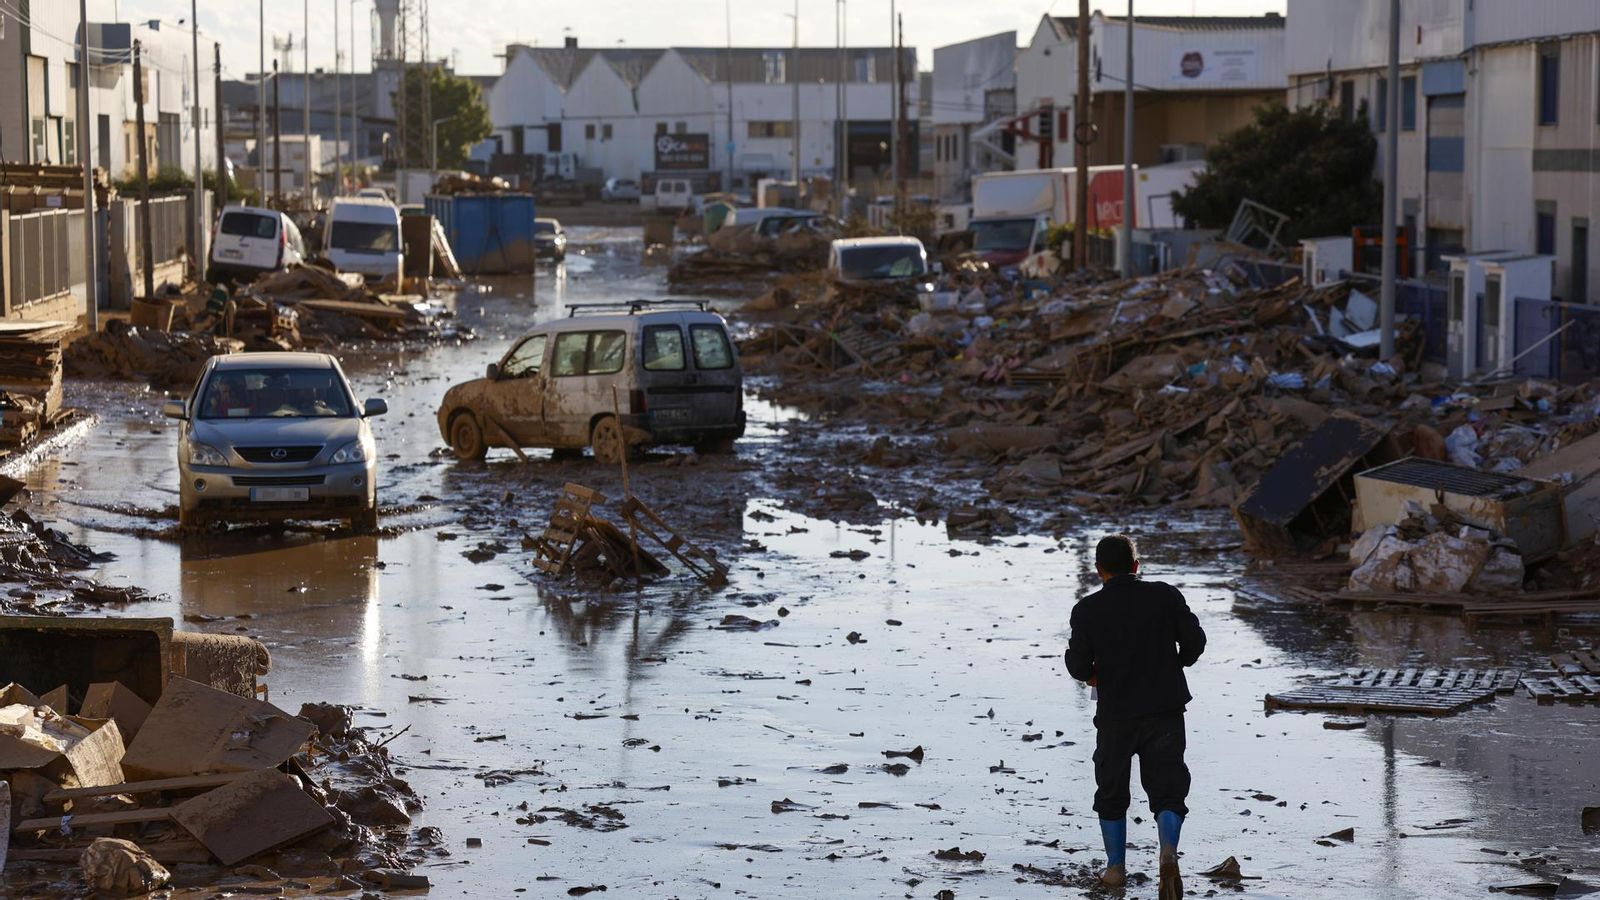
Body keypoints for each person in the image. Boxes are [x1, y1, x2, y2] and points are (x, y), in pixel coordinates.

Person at [1064, 534, 1206, 899]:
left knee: (1111, 789)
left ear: (1099, 571)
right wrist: (1174, 664)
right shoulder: (1165, 595)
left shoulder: (1087, 610)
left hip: (1116, 715)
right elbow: (1195, 642)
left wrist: (1093, 672)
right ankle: (1168, 851)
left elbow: (1078, 666)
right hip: (1165, 708)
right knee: (1168, 788)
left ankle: (1115, 870)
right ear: (1136, 566)